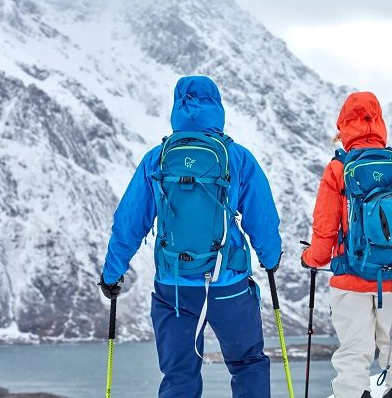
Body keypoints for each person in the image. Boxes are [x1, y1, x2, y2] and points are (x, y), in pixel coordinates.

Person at [98, 76, 282, 398]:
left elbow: (128, 223)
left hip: (174, 286)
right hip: (228, 285)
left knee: (179, 374)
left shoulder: (156, 158)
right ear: (218, 107)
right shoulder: (237, 157)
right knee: (247, 364)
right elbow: (262, 219)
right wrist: (270, 259)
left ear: (175, 108)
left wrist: (112, 274)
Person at [301, 92, 392, 398]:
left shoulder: (338, 170)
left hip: (351, 279)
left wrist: (310, 258)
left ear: (343, 126)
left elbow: (324, 232)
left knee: (353, 355)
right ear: (379, 123)